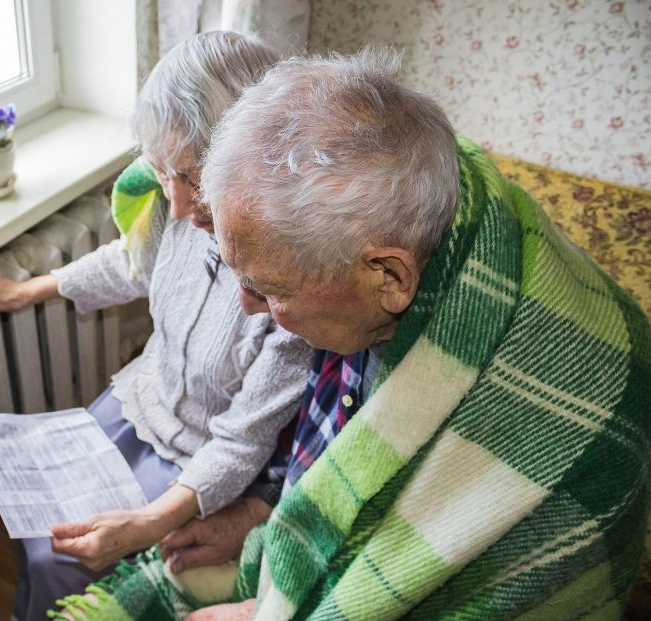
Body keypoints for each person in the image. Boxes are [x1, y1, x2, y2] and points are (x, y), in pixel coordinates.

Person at [58, 47, 651, 620]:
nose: (249, 307)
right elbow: (337, 444)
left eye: (270, 290)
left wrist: (271, 609)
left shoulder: (548, 416)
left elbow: (406, 574)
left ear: (389, 277)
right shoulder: (376, 244)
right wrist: (260, 513)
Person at [0, 32, 312, 621]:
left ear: (255, 166)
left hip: (200, 459)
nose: (174, 205)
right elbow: (131, 260)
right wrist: (27, 290)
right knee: (31, 525)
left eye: (192, 177)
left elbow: (243, 440)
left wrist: (150, 522)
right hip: (138, 401)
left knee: (58, 562)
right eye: (164, 173)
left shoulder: (290, 283)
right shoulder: (180, 212)